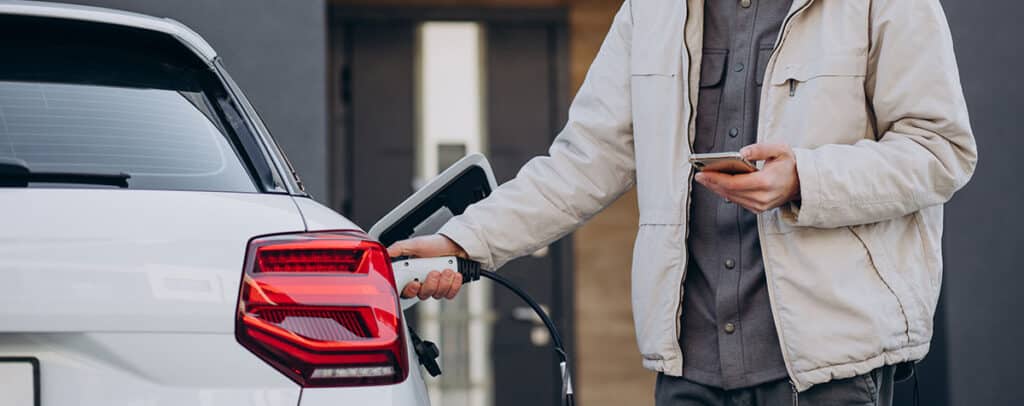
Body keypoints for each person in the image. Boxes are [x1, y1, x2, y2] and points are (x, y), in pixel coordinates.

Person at [387, 0, 977, 404]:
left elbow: (941, 150)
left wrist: (806, 177)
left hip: (830, 369)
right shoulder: (651, 10)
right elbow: (584, 161)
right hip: (690, 367)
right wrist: (465, 241)